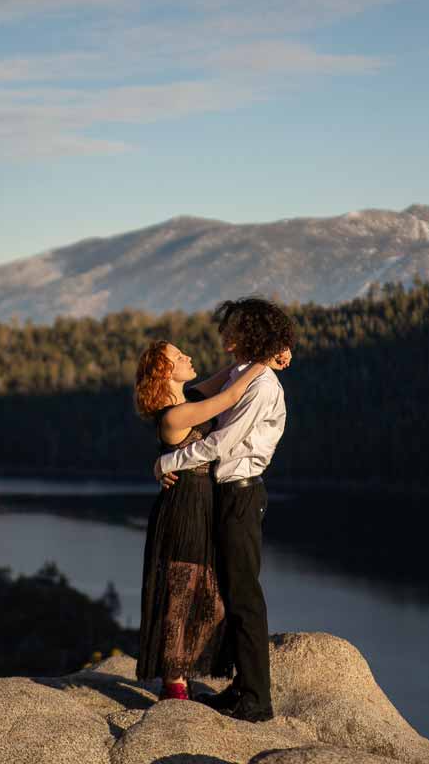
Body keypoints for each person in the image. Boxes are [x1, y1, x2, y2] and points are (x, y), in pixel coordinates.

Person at [155, 297, 296, 722]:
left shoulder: (263, 385)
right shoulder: (240, 373)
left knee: (245, 598)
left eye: (232, 326)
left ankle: (258, 701)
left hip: (242, 494)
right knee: (232, 594)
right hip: (227, 494)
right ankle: (241, 688)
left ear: (249, 333)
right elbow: (200, 397)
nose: (224, 333)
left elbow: (222, 443)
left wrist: (167, 462)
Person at [134, 339, 269, 701]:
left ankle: (185, 673)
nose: (188, 357)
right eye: (179, 357)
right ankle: (174, 683)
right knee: (182, 591)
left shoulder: (189, 397)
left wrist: (259, 355)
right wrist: (264, 363)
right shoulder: (173, 415)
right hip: (184, 509)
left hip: (206, 504)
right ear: (164, 371)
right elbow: (228, 398)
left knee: (211, 594)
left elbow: (225, 378)